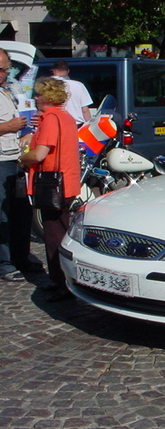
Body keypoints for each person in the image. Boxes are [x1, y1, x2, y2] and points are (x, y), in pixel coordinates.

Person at [19, 77, 81, 302]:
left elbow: (39, 154)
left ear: (46, 97)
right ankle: (67, 280)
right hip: (68, 182)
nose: (35, 97)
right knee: (63, 231)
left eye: (38, 94)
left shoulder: (50, 119)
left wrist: (22, 158)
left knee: (54, 235)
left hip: (53, 185)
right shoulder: (64, 116)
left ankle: (62, 283)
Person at [0, 48, 42, 282]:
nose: (4, 73)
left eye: (6, 68)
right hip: (0, 161)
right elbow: (8, 125)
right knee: (3, 215)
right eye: (1, 69)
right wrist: (7, 127)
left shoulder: (9, 90)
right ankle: (4, 263)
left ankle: (21, 257)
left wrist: (34, 122)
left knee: (21, 212)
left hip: (17, 157)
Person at [50, 59, 93, 126]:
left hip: (55, 124)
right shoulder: (79, 85)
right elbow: (85, 110)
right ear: (68, 71)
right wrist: (90, 126)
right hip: (75, 125)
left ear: (54, 70)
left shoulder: (48, 85)